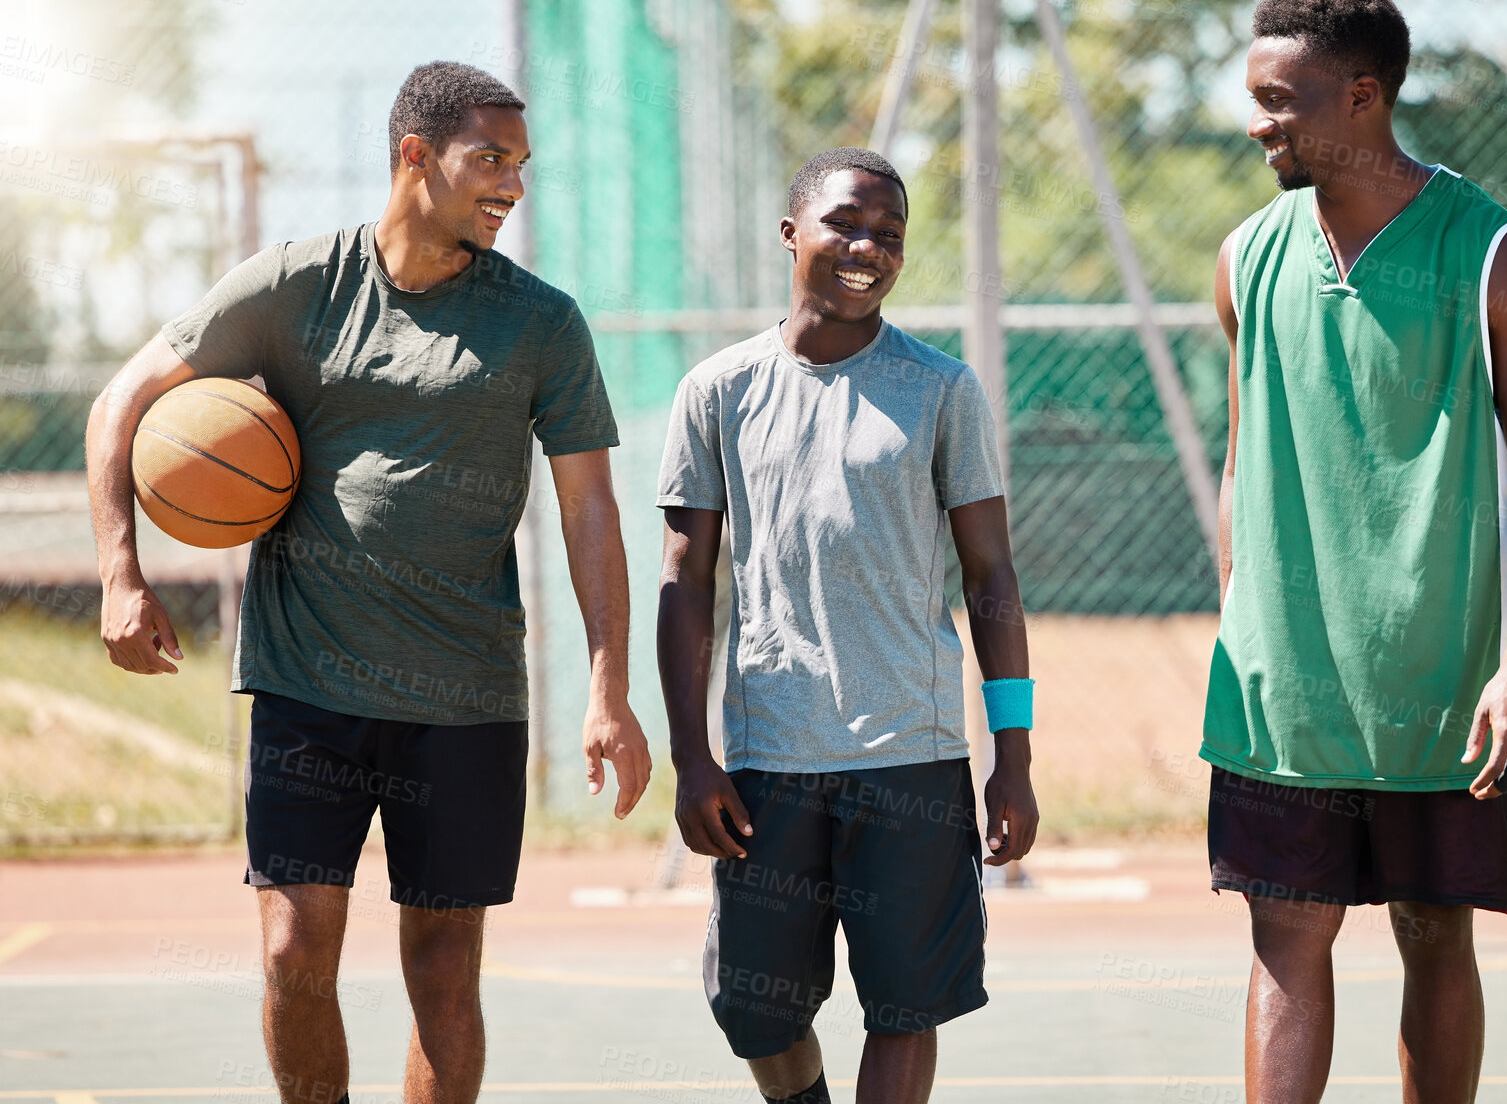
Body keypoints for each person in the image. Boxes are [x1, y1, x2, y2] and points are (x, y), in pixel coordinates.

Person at [86, 60, 653, 1104]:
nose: (511, 187)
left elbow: (590, 509)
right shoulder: (296, 284)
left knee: (443, 969)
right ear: (414, 154)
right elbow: (122, 400)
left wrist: (610, 687)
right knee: (292, 951)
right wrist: (121, 574)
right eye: (490, 159)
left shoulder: (541, 324)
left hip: (467, 694)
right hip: (309, 688)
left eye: (521, 166)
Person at [1202, 0, 1507, 1102]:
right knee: (1286, 939)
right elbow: (1239, 459)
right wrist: (1242, 622)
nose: (1257, 120)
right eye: (1254, 95)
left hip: (1441, 682)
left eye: (1282, 99)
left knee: (1434, 934)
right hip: (1287, 694)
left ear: (1362, 96)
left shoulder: (1490, 253)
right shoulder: (1243, 260)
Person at [655, 147, 1039, 1104]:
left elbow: (991, 577)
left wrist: (1014, 755)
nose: (868, 246)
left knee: (904, 1007)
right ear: (792, 233)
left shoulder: (941, 388)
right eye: (846, 223)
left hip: (910, 752)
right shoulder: (719, 390)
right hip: (768, 757)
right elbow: (685, 580)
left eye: (890, 234)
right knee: (756, 1011)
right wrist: (690, 756)